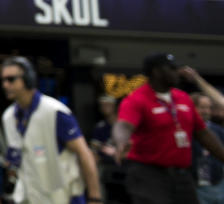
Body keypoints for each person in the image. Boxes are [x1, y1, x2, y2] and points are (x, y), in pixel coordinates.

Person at [112, 53, 224, 204]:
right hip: (149, 174)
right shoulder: (137, 99)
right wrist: (121, 143)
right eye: (171, 68)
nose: (176, 71)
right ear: (156, 72)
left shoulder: (183, 98)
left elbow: (203, 134)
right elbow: (123, 125)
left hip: (182, 175)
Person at [0, 57, 102, 204]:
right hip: (31, 197)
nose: (5, 85)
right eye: (3, 80)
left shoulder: (54, 112)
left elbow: (84, 154)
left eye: (11, 79)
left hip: (63, 197)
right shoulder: (8, 117)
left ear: (28, 79)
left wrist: (94, 197)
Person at [89, 96, 123, 203]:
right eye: (102, 105)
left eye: (107, 104)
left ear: (115, 106)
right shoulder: (100, 127)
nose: (104, 107)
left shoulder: (125, 125)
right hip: (106, 165)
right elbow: (94, 151)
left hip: (127, 163)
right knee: (95, 172)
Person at [192, 93, 224, 204]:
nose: (206, 111)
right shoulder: (187, 130)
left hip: (219, 185)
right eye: (202, 107)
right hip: (196, 187)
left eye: (208, 108)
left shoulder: (218, 130)